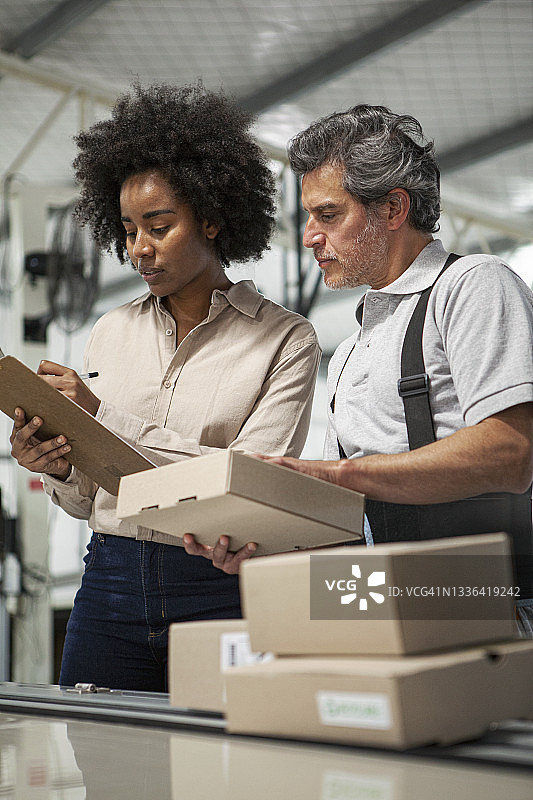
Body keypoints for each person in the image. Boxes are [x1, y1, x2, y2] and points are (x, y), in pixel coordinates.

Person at [9, 83, 321, 690]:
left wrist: (101, 418)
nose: (138, 249)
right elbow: (83, 503)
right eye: (127, 230)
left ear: (211, 216)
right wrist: (57, 462)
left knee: (222, 779)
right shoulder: (110, 331)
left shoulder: (286, 340)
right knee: (106, 772)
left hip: (218, 586)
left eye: (159, 225)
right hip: (108, 587)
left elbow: (247, 483)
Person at [261, 104, 533, 633]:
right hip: (372, 599)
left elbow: (512, 452)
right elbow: (346, 526)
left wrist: (340, 475)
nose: (310, 237)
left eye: (329, 215)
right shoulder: (348, 352)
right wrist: (266, 546)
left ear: (392, 208)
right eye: (308, 217)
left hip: (476, 598)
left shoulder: (473, 286)